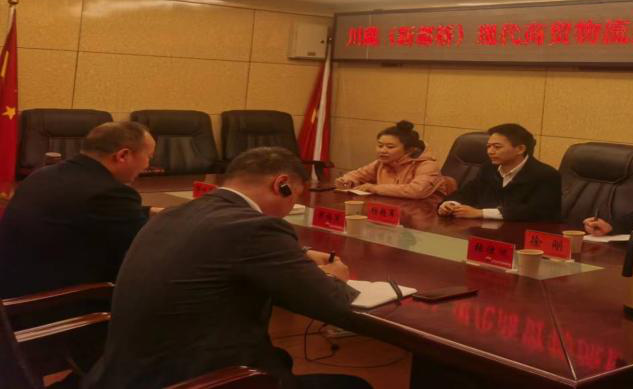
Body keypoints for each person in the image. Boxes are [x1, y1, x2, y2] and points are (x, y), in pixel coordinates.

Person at [84, 147, 370, 389]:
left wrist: (300, 254)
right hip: (195, 380)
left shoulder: (173, 214)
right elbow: (332, 303)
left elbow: (217, 247)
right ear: (281, 184)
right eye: (294, 196)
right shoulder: (255, 228)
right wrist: (336, 278)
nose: (290, 207)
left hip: (123, 375)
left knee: (281, 358)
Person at [0, 121, 157, 299]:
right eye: (149, 157)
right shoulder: (110, 193)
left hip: (12, 292)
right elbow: (146, 248)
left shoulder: (43, 175)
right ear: (123, 155)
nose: (147, 165)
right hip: (51, 306)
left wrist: (150, 211)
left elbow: (85, 211)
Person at [438, 123, 560, 221]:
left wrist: (481, 213)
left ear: (520, 149)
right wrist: (450, 204)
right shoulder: (489, 168)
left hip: (523, 237)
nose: (490, 152)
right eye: (488, 146)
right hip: (486, 232)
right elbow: (469, 192)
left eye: (497, 147)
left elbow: (537, 211)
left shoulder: (546, 175)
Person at [333, 120, 456, 201]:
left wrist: (375, 188)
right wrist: (346, 181)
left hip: (423, 216)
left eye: (390, 147)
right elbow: (357, 175)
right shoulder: (381, 163)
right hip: (391, 211)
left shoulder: (427, 165)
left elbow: (416, 191)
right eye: (380, 145)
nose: (382, 150)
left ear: (409, 150)